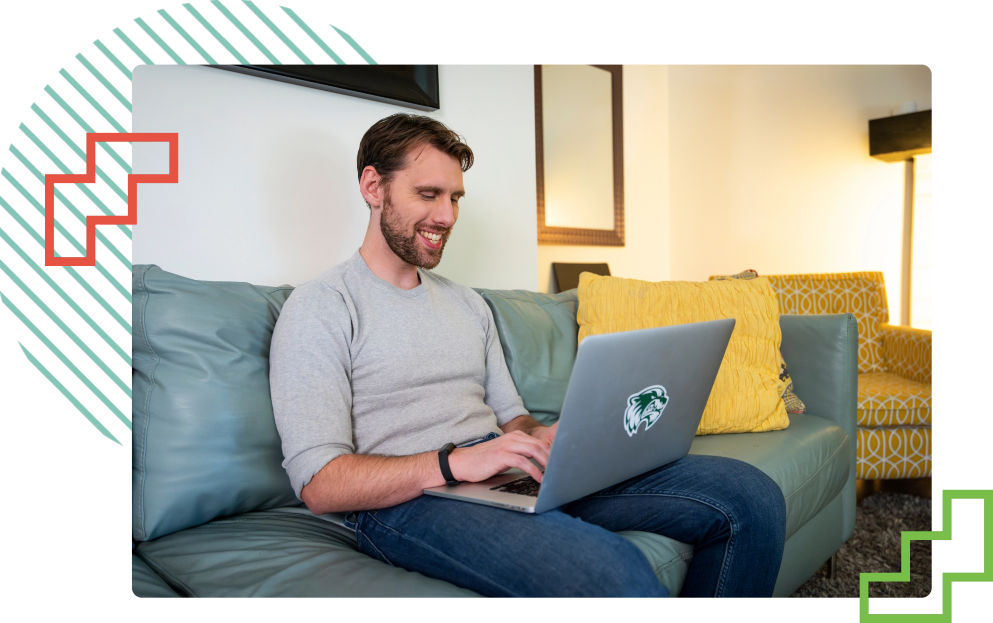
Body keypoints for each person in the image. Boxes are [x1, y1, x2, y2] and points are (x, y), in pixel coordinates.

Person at [269, 113, 786, 598]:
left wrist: (542, 437)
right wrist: (455, 462)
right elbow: (320, 483)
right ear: (373, 187)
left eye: (455, 198)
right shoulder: (322, 306)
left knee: (750, 496)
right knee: (612, 571)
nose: (446, 216)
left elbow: (511, 417)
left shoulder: (467, 303)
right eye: (428, 194)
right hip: (408, 502)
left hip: (504, 472)